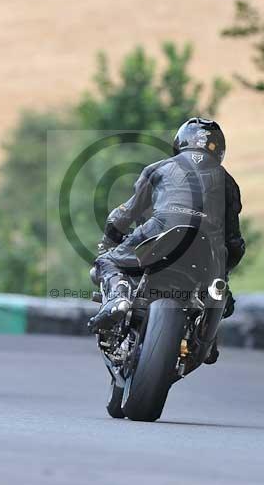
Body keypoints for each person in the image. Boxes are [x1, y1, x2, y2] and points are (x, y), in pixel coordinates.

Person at [88, 117, 246, 361]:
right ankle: (207, 335)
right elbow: (234, 240)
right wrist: (225, 269)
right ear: (219, 150)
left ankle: (119, 297)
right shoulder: (228, 182)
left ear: (180, 142)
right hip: (207, 249)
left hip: (159, 232)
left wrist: (109, 242)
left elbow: (123, 214)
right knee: (221, 290)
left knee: (107, 261)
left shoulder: (159, 168)